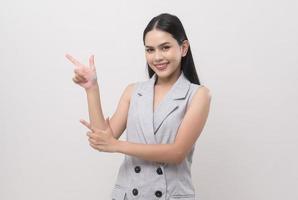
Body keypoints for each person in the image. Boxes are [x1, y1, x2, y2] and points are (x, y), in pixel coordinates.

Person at [66, 13, 211, 200]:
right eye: (150, 50)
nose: (157, 57)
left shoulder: (198, 94)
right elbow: (104, 139)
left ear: (183, 48)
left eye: (165, 47)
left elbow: (176, 152)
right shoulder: (133, 91)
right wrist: (92, 88)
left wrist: (116, 145)